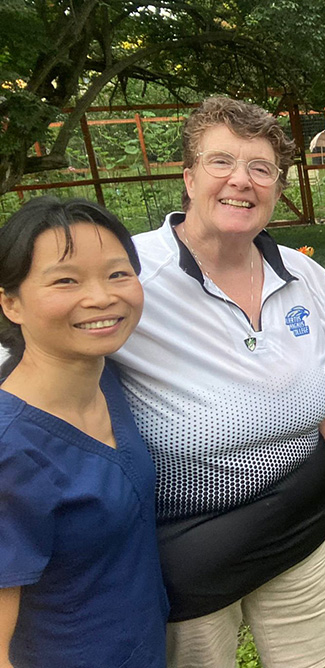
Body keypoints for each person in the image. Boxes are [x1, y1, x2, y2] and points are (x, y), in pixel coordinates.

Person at [110, 97, 325, 668]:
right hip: (190, 557)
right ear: (188, 178)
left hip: (304, 528)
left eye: (261, 168)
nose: (241, 181)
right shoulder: (130, 275)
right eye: (221, 162)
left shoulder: (305, 275)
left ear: (277, 186)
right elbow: (33, 361)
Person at [0, 197, 168, 667]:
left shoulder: (105, 381)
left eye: (117, 274)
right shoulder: (11, 452)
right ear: (11, 302)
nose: (101, 297)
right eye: (66, 280)